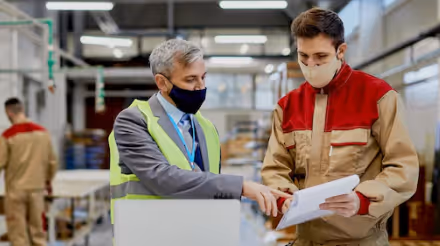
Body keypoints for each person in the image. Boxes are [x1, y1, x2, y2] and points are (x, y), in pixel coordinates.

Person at [261, 7, 419, 246]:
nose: (310, 66)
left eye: (320, 57)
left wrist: (363, 200)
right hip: (306, 240)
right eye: (303, 57)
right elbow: (275, 167)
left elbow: (403, 167)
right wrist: (283, 194)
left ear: (341, 51)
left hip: (362, 241)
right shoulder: (287, 106)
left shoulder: (378, 97)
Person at [109, 39, 291, 224]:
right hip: (149, 232)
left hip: (196, 232)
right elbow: (162, 178)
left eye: (203, 77)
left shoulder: (205, 127)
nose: (201, 87)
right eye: (190, 80)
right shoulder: (133, 121)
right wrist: (241, 186)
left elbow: (209, 185)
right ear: (162, 83)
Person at [0, 98, 58, 246]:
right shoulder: (43, 133)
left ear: (8, 112)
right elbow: (53, 163)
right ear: (22, 110)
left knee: (18, 235)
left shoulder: (8, 136)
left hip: (15, 192)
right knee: (38, 233)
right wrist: (46, 181)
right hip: (37, 190)